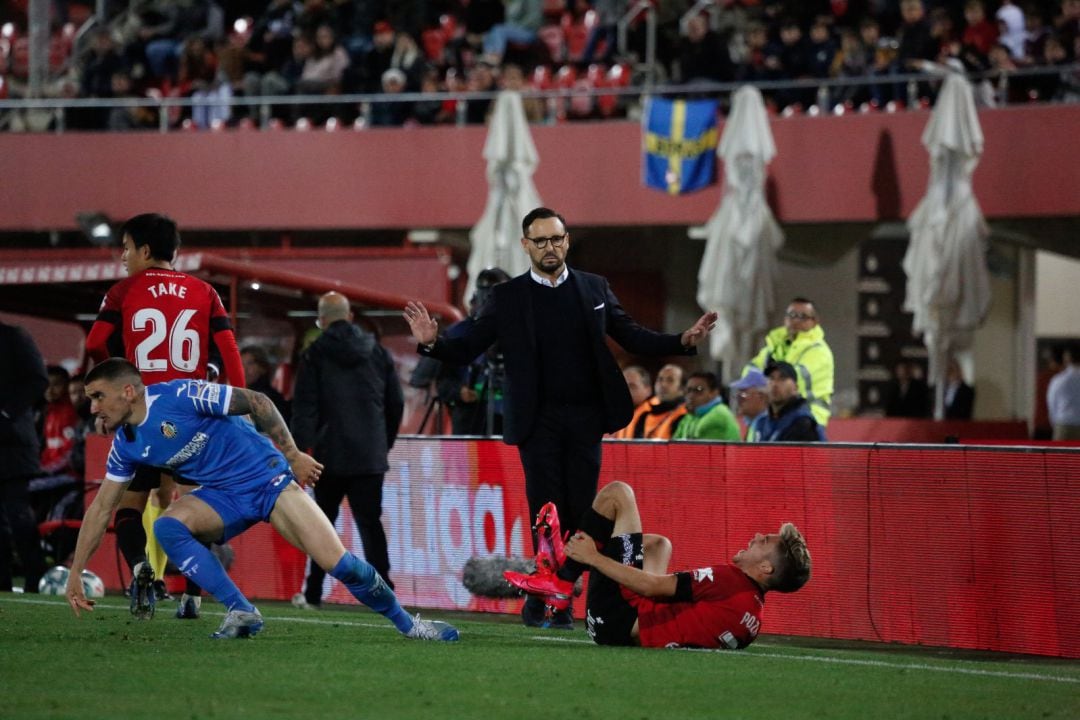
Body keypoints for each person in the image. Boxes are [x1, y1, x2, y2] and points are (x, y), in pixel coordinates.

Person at [403, 207, 717, 629]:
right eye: (541, 240)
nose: (550, 247)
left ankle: (559, 591)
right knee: (546, 513)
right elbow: (470, 343)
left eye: (556, 239)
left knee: (579, 513)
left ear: (567, 241)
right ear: (525, 245)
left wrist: (681, 340)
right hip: (537, 422)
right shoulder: (508, 297)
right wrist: (433, 343)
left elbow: (632, 334)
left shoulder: (594, 288)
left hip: (586, 418)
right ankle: (552, 601)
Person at [65, 359, 458, 642]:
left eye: (98, 396)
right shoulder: (125, 446)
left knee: (339, 564)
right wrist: (75, 573)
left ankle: (411, 625)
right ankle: (241, 611)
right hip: (222, 496)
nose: (94, 407)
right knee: (169, 526)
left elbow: (258, 402)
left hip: (267, 480)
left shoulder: (180, 395)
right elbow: (101, 510)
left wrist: (293, 456)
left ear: (128, 391)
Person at [85, 212, 246, 620]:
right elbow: (232, 359)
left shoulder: (123, 291)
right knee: (198, 509)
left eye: (125, 248)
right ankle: (192, 597)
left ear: (143, 250)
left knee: (128, 507)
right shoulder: (206, 291)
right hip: (193, 414)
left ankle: (141, 568)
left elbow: (95, 341)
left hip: (143, 411)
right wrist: (233, 404)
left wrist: (115, 388)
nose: (122, 256)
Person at [505, 481, 811, 648]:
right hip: (628, 629)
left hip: (615, 620)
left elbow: (654, 586)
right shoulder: (752, 614)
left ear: (766, 569)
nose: (757, 536)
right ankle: (563, 567)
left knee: (618, 494)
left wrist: (594, 558)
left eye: (766, 541)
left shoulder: (730, 581)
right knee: (659, 544)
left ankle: (561, 582)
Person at [291, 292, 404, 608]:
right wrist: (383, 444)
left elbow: (305, 408)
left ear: (321, 320)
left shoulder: (314, 354)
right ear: (350, 316)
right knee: (370, 523)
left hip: (328, 455)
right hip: (370, 454)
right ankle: (386, 592)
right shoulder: (377, 352)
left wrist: (300, 452)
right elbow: (396, 402)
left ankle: (313, 593)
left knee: (321, 525)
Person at [0, 320, 49, 593]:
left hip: (14, 443)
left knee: (18, 515)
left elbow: (38, 379)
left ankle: (35, 577)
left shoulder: (14, 336)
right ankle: (2, 582)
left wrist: (6, 414)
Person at [743, 297, 834, 428]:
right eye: (791, 315)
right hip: (775, 416)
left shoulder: (819, 351)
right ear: (784, 319)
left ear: (815, 322)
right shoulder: (775, 345)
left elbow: (792, 382)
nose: (796, 320)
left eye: (803, 316)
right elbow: (749, 371)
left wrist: (763, 382)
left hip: (808, 420)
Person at [614, 364, 688, 440]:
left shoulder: (686, 416)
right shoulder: (646, 415)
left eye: (670, 380)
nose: (663, 384)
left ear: (682, 388)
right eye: (660, 379)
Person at [756, 361, 825, 442]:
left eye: (782, 379)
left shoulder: (802, 424)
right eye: (771, 378)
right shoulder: (762, 422)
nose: (775, 384)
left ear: (795, 388)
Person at [673, 371, 741, 441]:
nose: (691, 395)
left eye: (699, 390)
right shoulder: (690, 416)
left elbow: (701, 451)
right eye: (688, 390)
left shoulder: (717, 417)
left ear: (714, 393)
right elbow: (673, 445)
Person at [240, 344, 289, 421]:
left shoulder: (271, 398)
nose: (244, 369)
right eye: (241, 364)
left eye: (250, 363)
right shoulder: (239, 395)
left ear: (262, 367)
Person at [1048, 342, 1080, 440]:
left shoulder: (1059, 379)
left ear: (1067, 359)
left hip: (1064, 424)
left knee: (1061, 454)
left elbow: (1052, 403)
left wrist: (1054, 422)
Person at [732, 369, 769, 442]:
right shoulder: (750, 423)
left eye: (743, 394)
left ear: (761, 396)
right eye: (738, 394)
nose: (739, 399)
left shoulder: (766, 427)